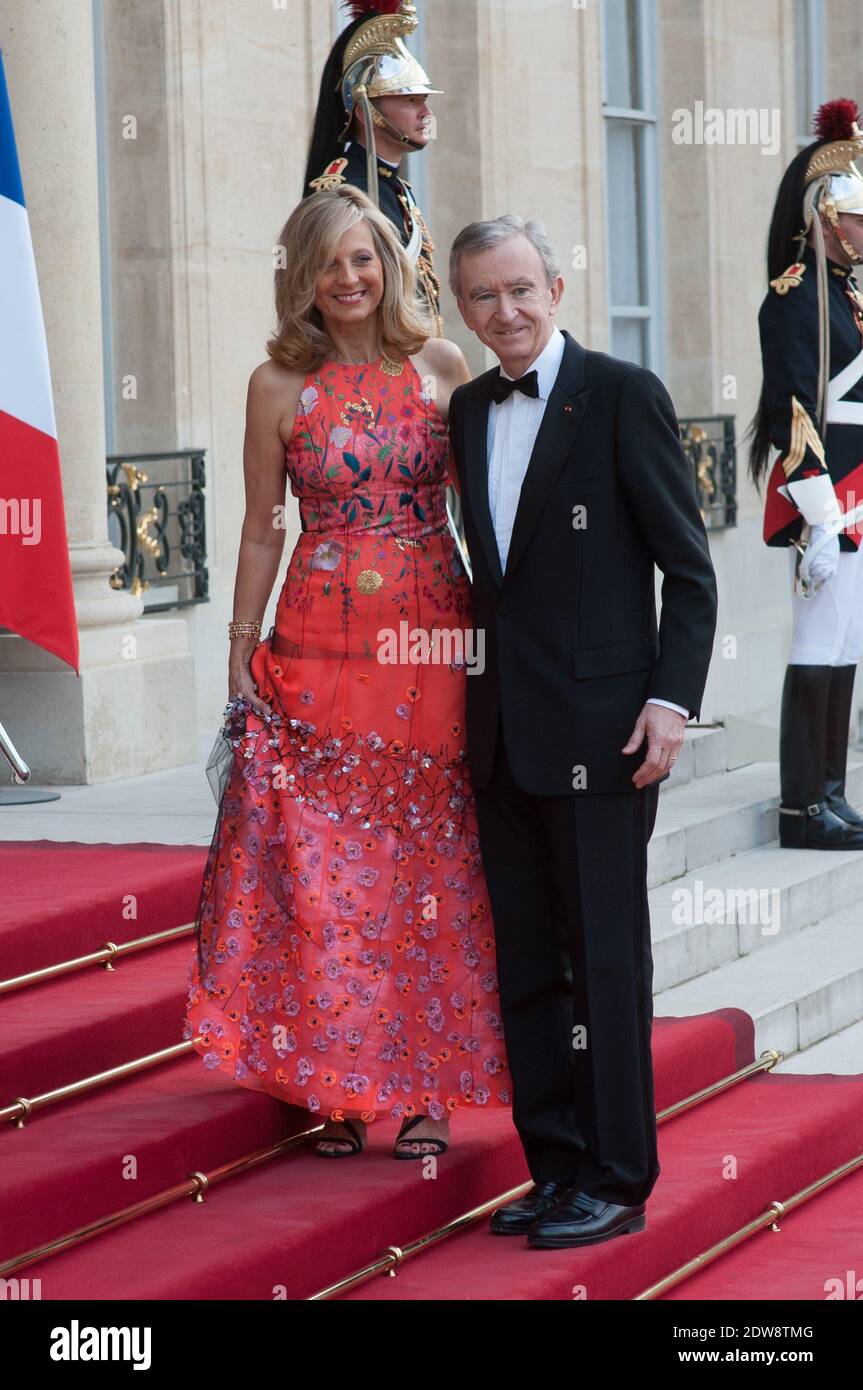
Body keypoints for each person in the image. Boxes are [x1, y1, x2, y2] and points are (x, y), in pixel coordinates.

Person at [183, 185, 512, 1158]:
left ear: (387, 265)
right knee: (327, 871)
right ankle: (338, 1083)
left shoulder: (441, 366)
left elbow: (489, 513)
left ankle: (423, 1087)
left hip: (430, 639)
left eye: (362, 258)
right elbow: (257, 526)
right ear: (303, 279)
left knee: (426, 863)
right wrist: (240, 642)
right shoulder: (274, 387)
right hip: (318, 642)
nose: (349, 278)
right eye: (328, 263)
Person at [447, 214, 718, 1247]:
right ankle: (555, 1168)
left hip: (605, 734)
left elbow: (686, 572)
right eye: (482, 296)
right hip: (501, 736)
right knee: (527, 967)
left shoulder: (621, 394)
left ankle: (618, 1177)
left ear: (555, 289)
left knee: (604, 962)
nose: (503, 312)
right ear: (464, 308)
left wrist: (668, 700)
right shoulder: (469, 408)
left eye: (519, 289)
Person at [748, 98, 863, 851]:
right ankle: (800, 806)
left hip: (857, 494)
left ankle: (830, 789)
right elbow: (795, 412)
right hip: (825, 495)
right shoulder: (795, 295)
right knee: (814, 643)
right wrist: (818, 516)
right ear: (826, 217)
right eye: (856, 217)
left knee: (844, 641)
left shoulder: (844, 292)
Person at [303, 1, 443, 333]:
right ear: (366, 111)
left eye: (424, 100)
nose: (425, 113)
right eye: (411, 100)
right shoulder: (341, 190)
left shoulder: (397, 188)